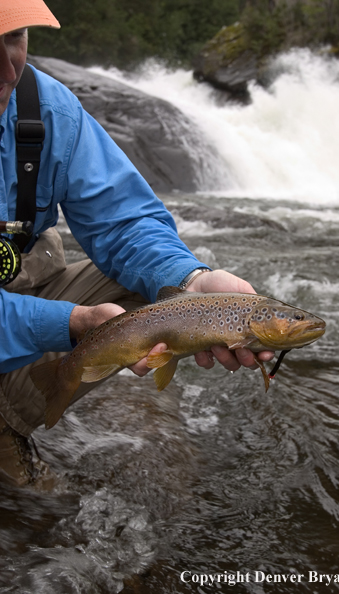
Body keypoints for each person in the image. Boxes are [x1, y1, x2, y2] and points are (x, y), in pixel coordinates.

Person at [0, 0, 274, 487]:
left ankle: (12, 416)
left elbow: (122, 221)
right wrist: (73, 323)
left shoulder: (46, 108)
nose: (7, 68)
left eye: (12, 39)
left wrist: (192, 279)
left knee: (154, 293)